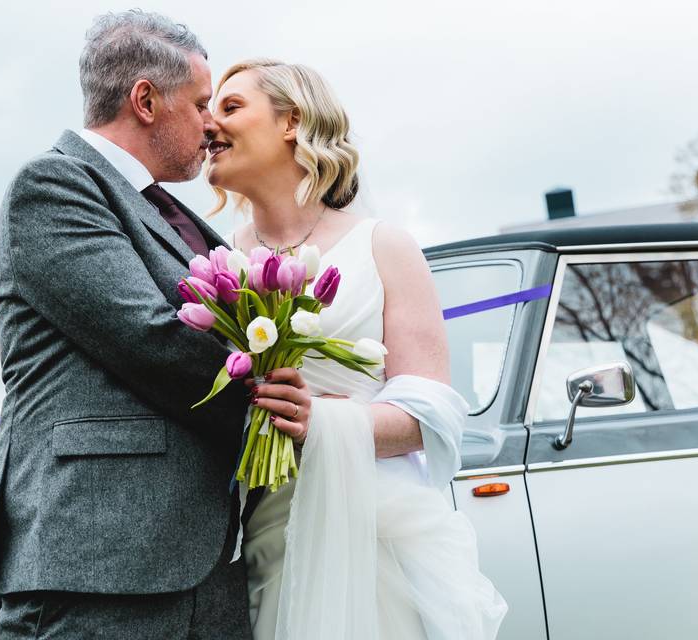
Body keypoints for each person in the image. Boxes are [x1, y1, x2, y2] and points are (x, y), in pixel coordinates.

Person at [0, 14, 312, 639]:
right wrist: (286, 412)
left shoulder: (170, 211)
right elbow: (152, 339)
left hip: (208, 565)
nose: (212, 123)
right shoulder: (52, 186)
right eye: (202, 103)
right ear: (146, 100)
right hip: (101, 566)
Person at [207, 59, 509, 639]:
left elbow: (431, 414)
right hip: (263, 531)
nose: (207, 125)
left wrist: (320, 420)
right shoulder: (218, 261)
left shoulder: (384, 247)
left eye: (231, 107)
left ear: (291, 121)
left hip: (374, 529)